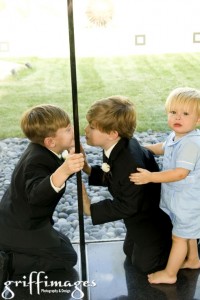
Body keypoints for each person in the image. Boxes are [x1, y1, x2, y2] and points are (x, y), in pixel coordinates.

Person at [82, 95, 172, 274]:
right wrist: (87, 169)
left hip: (150, 221)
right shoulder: (119, 146)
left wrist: (90, 208)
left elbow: (129, 205)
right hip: (138, 219)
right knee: (128, 252)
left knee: (145, 266)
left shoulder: (129, 163)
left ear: (112, 133)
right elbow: (114, 177)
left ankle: (178, 247)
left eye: (92, 127)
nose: (85, 129)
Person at [0, 104, 84, 290]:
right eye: (68, 129)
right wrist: (65, 168)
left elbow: (53, 171)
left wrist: (67, 162)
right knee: (68, 257)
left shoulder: (41, 152)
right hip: (22, 227)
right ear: (50, 142)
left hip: (19, 219)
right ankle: (8, 261)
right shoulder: (35, 161)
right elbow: (37, 194)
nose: (74, 131)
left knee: (64, 242)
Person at [130, 87, 200, 284]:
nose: (178, 117)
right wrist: (145, 149)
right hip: (179, 198)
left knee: (178, 237)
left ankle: (170, 274)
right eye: (173, 112)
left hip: (189, 201)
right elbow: (164, 147)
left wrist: (151, 177)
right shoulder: (177, 135)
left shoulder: (192, 144)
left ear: (198, 120)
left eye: (185, 114)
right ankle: (193, 259)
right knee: (187, 231)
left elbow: (180, 173)